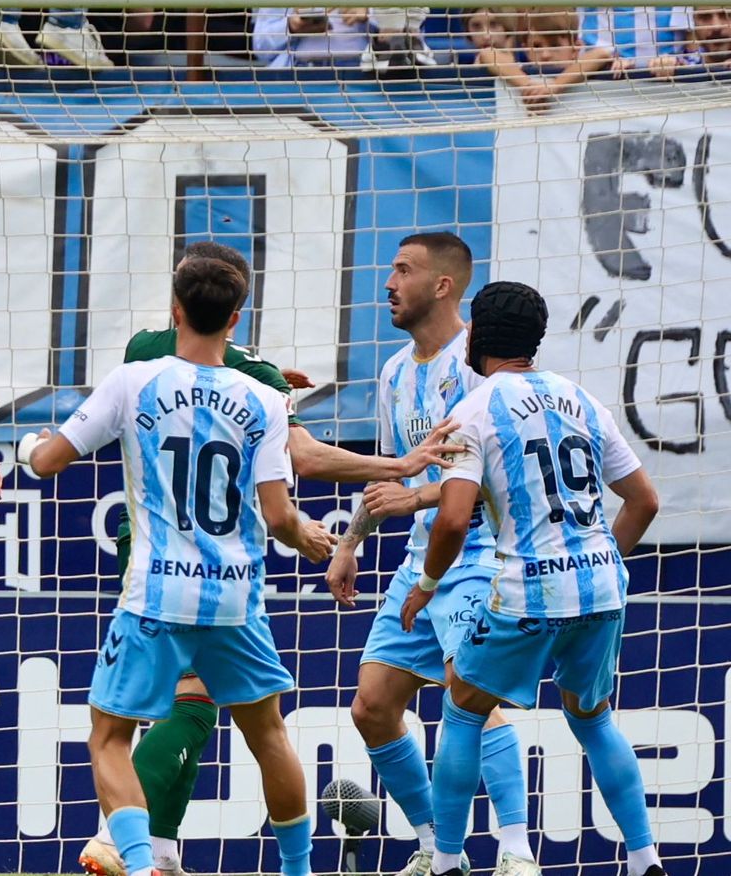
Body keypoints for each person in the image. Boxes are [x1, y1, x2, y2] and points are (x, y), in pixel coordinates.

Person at [77, 240, 463, 876]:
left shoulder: (140, 356)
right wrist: (392, 466)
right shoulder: (251, 375)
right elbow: (303, 459)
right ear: (237, 308)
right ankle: (131, 845)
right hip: (220, 569)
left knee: (183, 704)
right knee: (232, 714)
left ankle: (157, 850)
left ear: (178, 299)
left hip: (155, 557)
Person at [24, 255, 336, 876]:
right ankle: (298, 871)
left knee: (109, 738)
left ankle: (138, 864)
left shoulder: (134, 379)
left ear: (174, 310)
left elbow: (48, 462)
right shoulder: (265, 400)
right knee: (269, 736)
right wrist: (307, 537)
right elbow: (278, 516)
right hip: (233, 598)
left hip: (157, 595)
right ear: (236, 319)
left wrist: (33, 446)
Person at [397, 281, 664, 876]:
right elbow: (643, 501)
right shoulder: (582, 400)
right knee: (593, 719)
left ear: (480, 337)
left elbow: (453, 519)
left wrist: (428, 584)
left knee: (465, 708)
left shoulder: (472, 410)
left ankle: (444, 862)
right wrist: (602, 564)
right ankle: (647, 858)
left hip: (526, 590)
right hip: (600, 588)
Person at [326, 233, 534, 876]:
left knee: (472, 694)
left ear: (443, 286)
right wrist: (351, 544)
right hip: (419, 563)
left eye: (403, 270)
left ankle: (516, 854)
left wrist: (412, 499)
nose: (388, 282)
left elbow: (483, 483)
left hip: (477, 553)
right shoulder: (392, 373)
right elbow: (392, 476)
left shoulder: (477, 366)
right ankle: (431, 845)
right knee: (373, 706)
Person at [476, 8, 614, 115]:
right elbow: (487, 53)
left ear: (576, 48)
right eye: (536, 46)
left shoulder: (582, 68)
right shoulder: (519, 70)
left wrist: (554, 86)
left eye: (555, 45)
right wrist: (529, 87)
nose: (545, 55)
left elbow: (601, 53)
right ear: (525, 49)